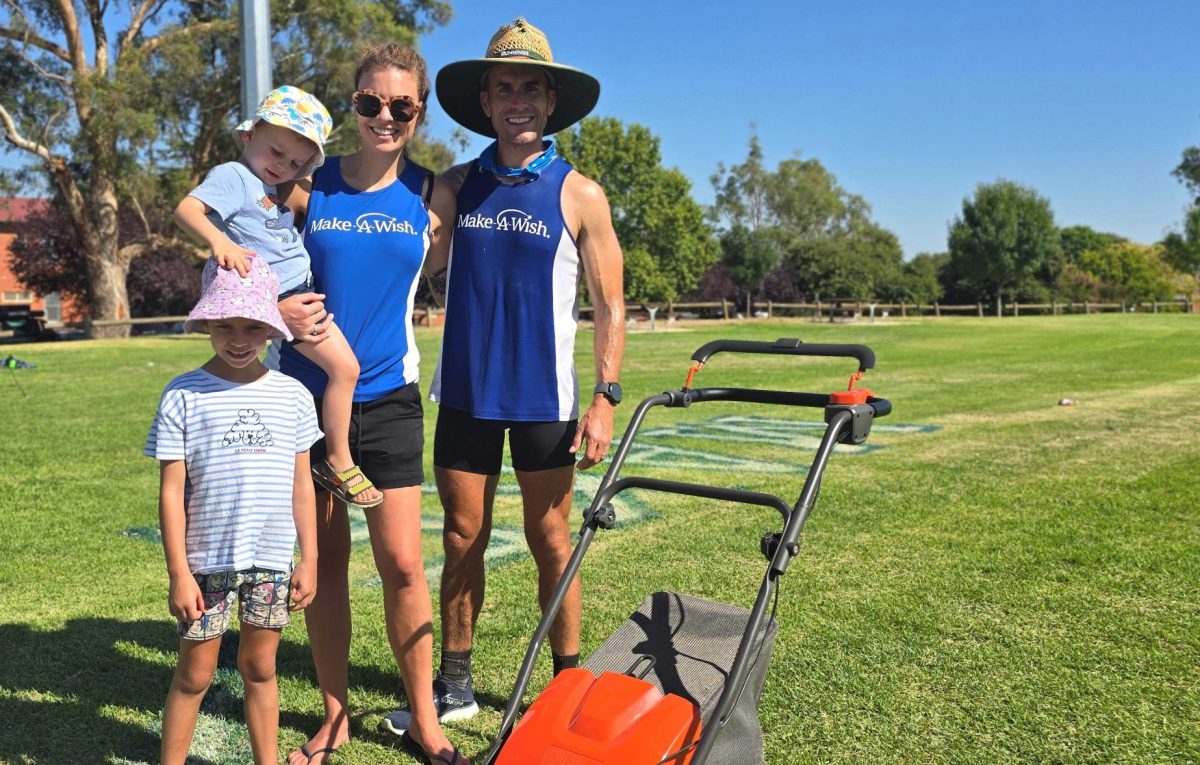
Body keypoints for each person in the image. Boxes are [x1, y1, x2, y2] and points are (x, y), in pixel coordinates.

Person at [385, 18, 626, 731]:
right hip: (465, 392)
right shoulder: (455, 186)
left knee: (552, 539)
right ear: (485, 101)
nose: (516, 99)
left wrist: (606, 396)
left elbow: (611, 304)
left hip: (546, 399)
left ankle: (567, 683)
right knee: (462, 536)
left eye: (529, 86)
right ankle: (454, 684)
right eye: (503, 87)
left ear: (550, 101)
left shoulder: (581, 193)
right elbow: (414, 260)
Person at [271, 43, 467, 765]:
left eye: (401, 106)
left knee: (406, 567)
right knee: (321, 565)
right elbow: (237, 255)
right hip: (304, 397)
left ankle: (424, 718)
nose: (384, 116)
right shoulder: (306, 185)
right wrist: (278, 307)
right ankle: (335, 714)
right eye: (369, 103)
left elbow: (442, 271)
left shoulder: (431, 195)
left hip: (388, 399)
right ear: (351, 104)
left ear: (418, 112)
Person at [174, 85, 383, 510]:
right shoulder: (234, 177)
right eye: (277, 152)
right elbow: (186, 210)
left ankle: (308, 461)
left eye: (297, 162)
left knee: (326, 377)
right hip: (282, 297)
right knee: (346, 369)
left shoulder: (272, 188)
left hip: (297, 293)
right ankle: (339, 460)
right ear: (250, 135)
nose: (284, 166)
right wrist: (220, 243)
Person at [146, 260, 320, 765]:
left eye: (252, 327)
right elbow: (171, 492)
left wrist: (308, 559)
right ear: (206, 324)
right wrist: (179, 573)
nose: (239, 338)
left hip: (270, 562)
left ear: (271, 328)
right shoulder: (183, 394)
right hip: (205, 566)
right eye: (225, 325)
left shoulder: (292, 395)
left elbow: (301, 486)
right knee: (195, 674)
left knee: (260, 667)